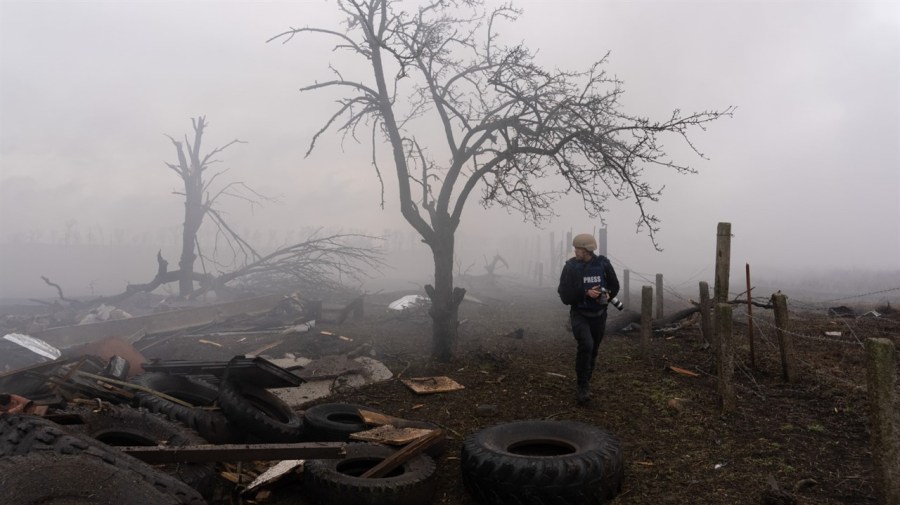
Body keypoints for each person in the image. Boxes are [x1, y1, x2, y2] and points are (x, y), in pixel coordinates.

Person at [557, 233, 620, 405]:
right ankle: (582, 386)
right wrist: (585, 293)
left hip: (599, 315)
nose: (575, 252)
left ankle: (586, 377)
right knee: (586, 345)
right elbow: (564, 294)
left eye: (578, 249)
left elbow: (614, 285)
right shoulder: (570, 267)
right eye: (575, 249)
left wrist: (607, 294)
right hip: (579, 314)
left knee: (593, 350)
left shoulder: (603, 264)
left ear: (587, 250)